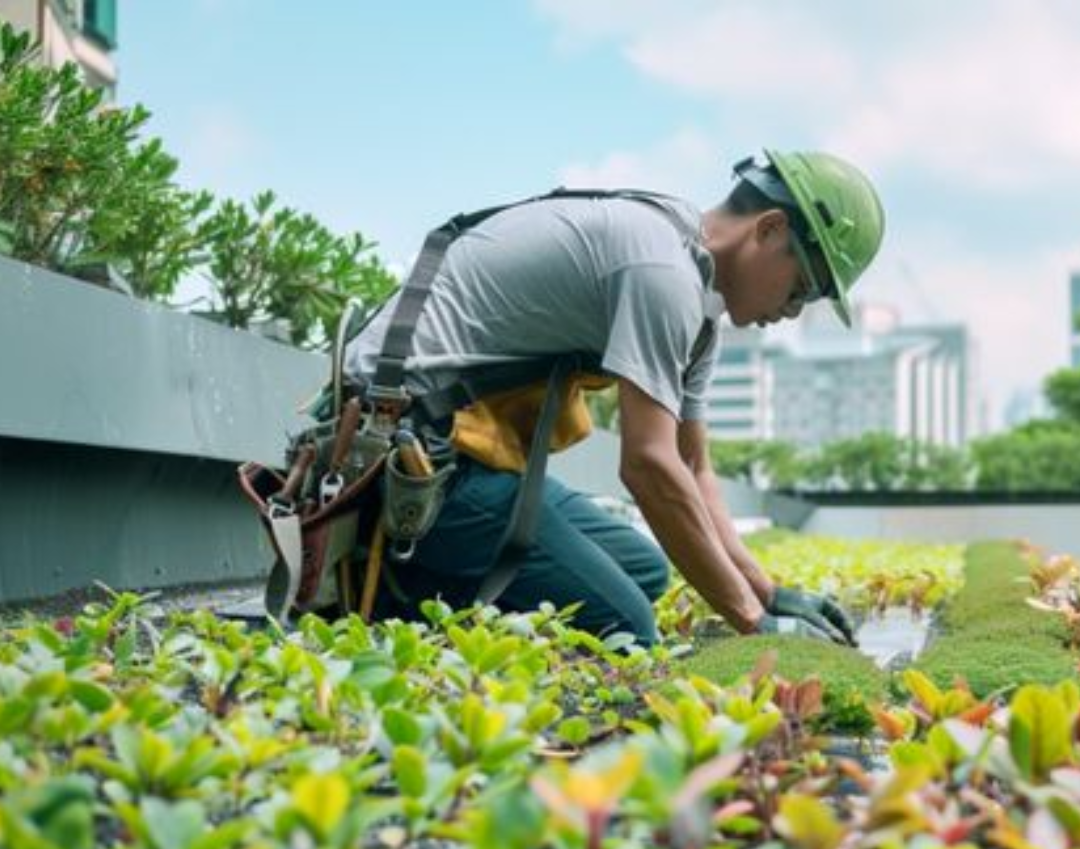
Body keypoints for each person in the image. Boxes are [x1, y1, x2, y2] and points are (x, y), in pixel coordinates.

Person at [344, 149, 885, 646]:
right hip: (405, 460)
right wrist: (756, 624)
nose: (792, 311)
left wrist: (768, 593)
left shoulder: (699, 308)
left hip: (465, 453)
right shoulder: (659, 269)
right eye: (802, 289)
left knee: (645, 572)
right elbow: (649, 465)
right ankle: (405, 590)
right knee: (625, 623)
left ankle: (451, 582)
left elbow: (692, 465)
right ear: (769, 229)